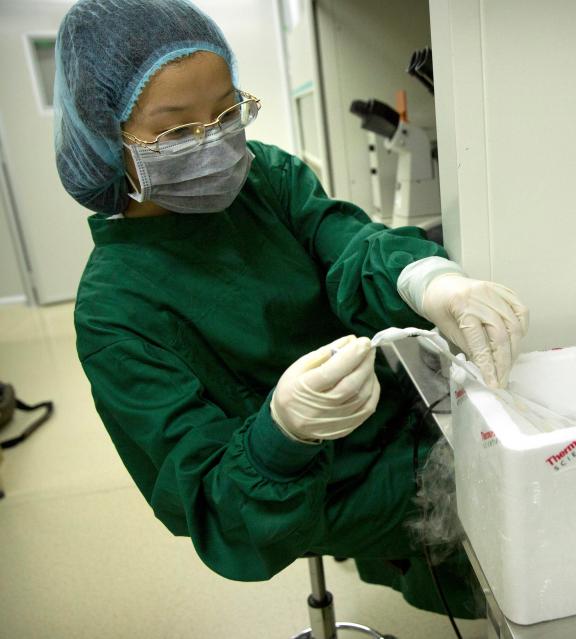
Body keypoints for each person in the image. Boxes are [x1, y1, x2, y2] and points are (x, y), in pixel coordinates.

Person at [54, 0, 528, 618]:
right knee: (499, 527)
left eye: (227, 112)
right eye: (175, 132)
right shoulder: (114, 311)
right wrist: (284, 433)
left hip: (393, 413)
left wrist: (424, 278)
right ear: (103, 138)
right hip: (308, 489)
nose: (215, 144)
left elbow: (343, 243)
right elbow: (215, 506)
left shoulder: (263, 179)